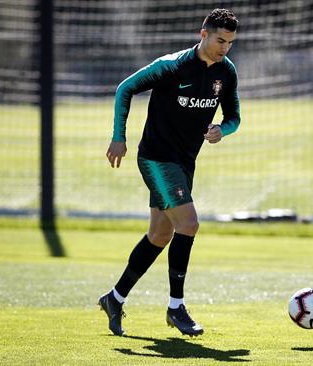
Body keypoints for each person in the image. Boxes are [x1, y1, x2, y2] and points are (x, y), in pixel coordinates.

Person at [98, 8, 240, 337]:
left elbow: (234, 117)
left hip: (184, 163)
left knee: (160, 235)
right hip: (156, 159)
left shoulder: (227, 73)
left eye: (230, 43)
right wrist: (119, 136)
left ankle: (114, 298)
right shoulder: (172, 66)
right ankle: (176, 308)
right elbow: (125, 89)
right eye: (220, 40)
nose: (225, 48)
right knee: (189, 224)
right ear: (203, 34)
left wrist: (224, 130)